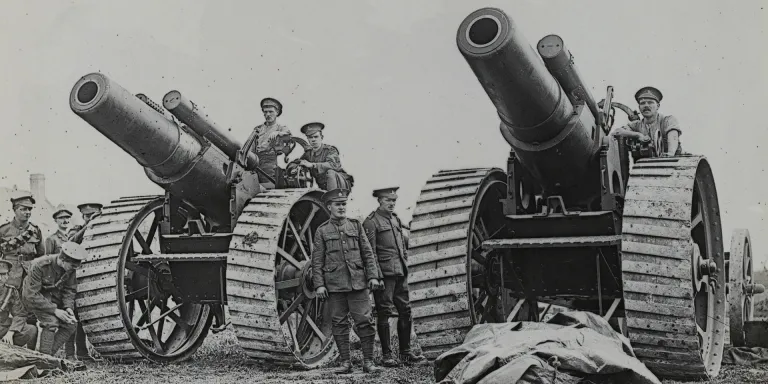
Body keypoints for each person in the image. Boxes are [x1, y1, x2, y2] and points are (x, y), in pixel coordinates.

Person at [311, 188, 383, 374]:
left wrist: (373, 276)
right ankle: (345, 363)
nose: (342, 207)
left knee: (365, 321)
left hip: (358, 283)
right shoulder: (322, 231)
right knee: (339, 323)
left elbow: (367, 253)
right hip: (335, 285)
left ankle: (368, 362)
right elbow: (317, 261)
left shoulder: (355, 226)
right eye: (337, 205)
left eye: (344, 204)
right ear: (329, 207)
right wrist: (319, 285)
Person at [363, 187, 426, 367]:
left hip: (400, 273)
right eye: (388, 200)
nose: (391, 203)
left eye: (393, 200)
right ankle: (386, 355)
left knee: (405, 310)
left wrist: (405, 265)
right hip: (385, 276)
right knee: (384, 313)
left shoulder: (396, 219)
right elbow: (370, 252)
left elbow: (402, 249)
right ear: (380, 201)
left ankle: (405, 352)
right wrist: (376, 276)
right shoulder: (371, 222)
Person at [22, 241, 87, 356]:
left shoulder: (69, 269)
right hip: (35, 301)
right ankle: (45, 359)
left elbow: (69, 290)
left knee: (71, 324)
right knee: (51, 322)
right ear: (63, 260)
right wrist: (55, 311)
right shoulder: (39, 265)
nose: (74, 269)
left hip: (53, 300)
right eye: (72, 266)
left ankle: (47, 356)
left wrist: (68, 308)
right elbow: (31, 295)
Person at [64, 203, 102, 362]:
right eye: (87, 216)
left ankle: (82, 352)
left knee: (85, 316)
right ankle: (70, 354)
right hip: (75, 279)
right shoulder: (77, 230)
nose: (90, 218)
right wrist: (88, 226)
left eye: (94, 215)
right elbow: (71, 242)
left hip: (93, 279)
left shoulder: (103, 230)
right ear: (82, 217)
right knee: (73, 316)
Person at [610, 86, 683, 157]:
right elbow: (617, 132)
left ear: (658, 106)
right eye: (642, 103)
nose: (646, 105)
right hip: (646, 165)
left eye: (650, 102)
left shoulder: (668, 120)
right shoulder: (636, 125)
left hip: (671, 162)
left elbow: (673, 136)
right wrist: (638, 135)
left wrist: (670, 153)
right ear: (639, 107)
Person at [287, 122, 353, 191]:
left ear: (321, 137)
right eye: (310, 137)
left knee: (330, 173)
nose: (313, 140)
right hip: (324, 187)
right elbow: (297, 162)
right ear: (308, 139)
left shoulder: (330, 150)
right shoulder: (308, 154)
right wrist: (293, 168)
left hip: (341, 184)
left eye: (316, 136)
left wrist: (312, 165)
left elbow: (333, 165)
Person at [242, 97, 291, 187]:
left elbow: (288, 135)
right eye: (265, 112)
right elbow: (249, 147)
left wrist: (278, 133)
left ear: (277, 113)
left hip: (269, 165)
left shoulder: (281, 128)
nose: (268, 114)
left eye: (271, 111)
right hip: (254, 163)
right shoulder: (258, 129)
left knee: (267, 188)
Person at [0, 195, 45, 289]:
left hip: (29, 272)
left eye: (29, 209)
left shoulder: (35, 230)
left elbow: (41, 255)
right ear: (15, 210)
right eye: (23, 209)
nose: (27, 212)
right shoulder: (3, 230)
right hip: (9, 273)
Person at [0, 260, 37, 349]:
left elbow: (20, 314)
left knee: (30, 330)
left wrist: (11, 332)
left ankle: (6, 348)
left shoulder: (11, 291)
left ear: (8, 276)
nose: (1, 278)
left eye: (4, 274)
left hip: (1, 328)